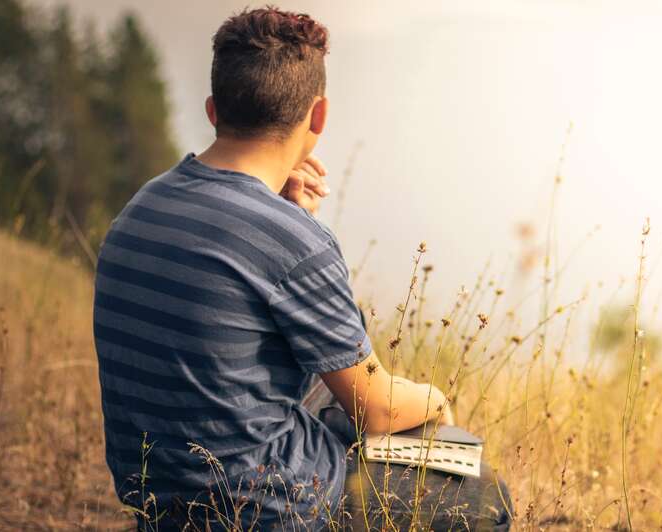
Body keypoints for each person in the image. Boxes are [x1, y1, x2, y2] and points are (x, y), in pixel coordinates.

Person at [92, 7, 511, 531]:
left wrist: (284, 217)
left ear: (212, 110)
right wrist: (435, 398)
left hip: (159, 499)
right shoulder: (295, 243)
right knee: (485, 499)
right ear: (318, 117)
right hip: (263, 507)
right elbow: (377, 408)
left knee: (329, 400)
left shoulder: (142, 206)